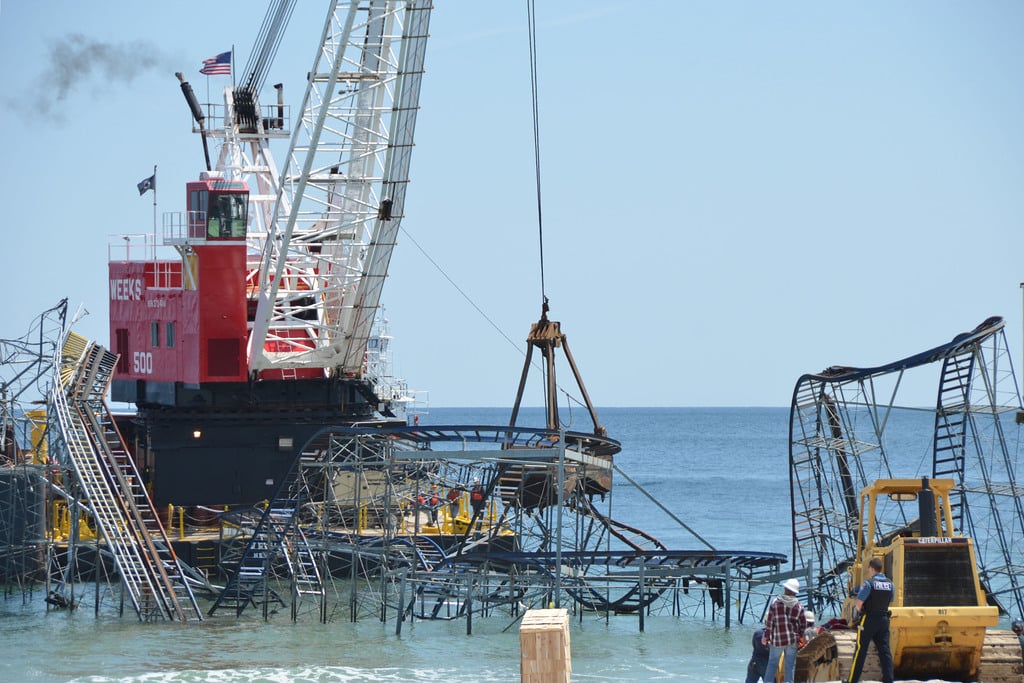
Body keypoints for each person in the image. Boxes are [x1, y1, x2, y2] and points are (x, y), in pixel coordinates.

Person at [847, 557, 894, 683]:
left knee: (860, 649)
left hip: (869, 619)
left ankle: (852, 680)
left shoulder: (869, 583)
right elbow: (891, 600)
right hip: (884, 619)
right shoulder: (890, 584)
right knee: (885, 651)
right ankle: (889, 680)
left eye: (869, 568)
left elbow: (859, 604)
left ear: (872, 569)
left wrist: (856, 613)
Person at [763, 577, 807, 683]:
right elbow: (803, 624)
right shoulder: (799, 606)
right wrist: (800, 636)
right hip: (792, 640)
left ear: (786, 589)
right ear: (795, 592)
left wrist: (766, 636)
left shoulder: (775, 603)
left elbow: (769, 623)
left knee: (772, 665)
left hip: (777, 640)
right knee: (790, 667)